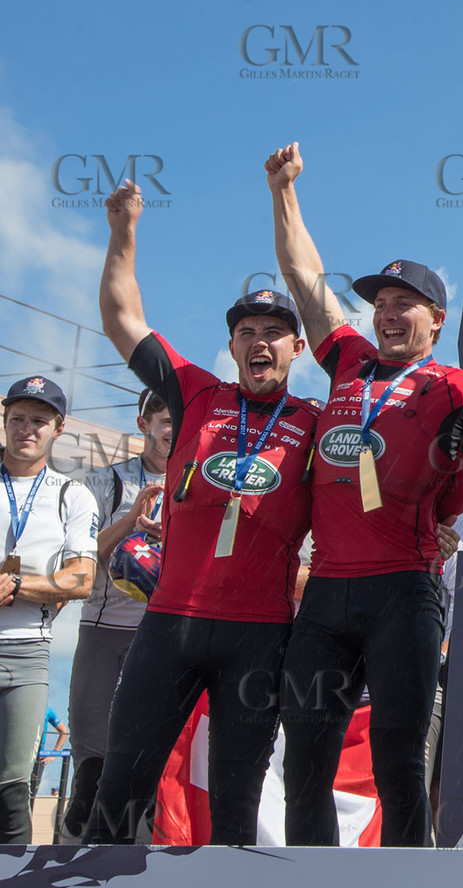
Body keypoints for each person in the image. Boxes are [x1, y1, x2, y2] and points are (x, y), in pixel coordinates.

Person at [88, 180, 320, 845]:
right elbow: (120, 318)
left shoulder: (313, 422)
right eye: (247, 330)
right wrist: (124, 230)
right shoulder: (195, 394)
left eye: (276, 332)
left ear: (297, 349)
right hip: (171, 627)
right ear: (232, 344)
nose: (261, 341)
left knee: (238, 804)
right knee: (121, 783)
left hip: (260, 634)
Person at [267, 143, 463, 847]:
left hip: (405, 590)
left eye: (405, 305)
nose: (388, 316)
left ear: (437, 321)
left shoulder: (461, 388)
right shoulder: (348, 362)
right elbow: (303, 278)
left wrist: (445, 514)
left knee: (399, 758)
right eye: (381, 305)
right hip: (326, 594)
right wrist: (284, 192)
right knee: (305, 757)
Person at [59, 387, 170, 842]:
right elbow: (85, 560)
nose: (172, 429)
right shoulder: (103, 482)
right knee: (92, 762)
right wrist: (130, 522)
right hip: (102, 632)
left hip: (163, 636)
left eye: (179, 420)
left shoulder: (198, 479)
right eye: (163, 420)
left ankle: (137, 870)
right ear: (144, 425)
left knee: (151, 764)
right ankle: (68, 857)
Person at [0, 374, 98, 844]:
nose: (26, 429)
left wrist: (18, 586)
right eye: (17, 418)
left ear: (58, 428)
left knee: (11, 793)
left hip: (27, 655)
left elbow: (81, 579)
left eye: (39, 421)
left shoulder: (72, 494)